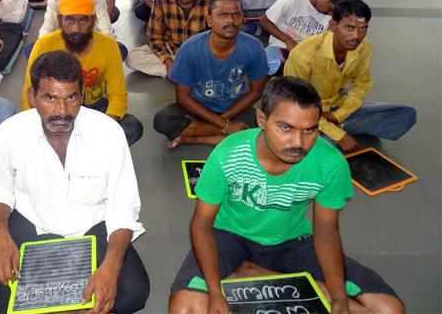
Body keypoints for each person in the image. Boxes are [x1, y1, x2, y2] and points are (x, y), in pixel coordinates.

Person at [168, 76, 405, 314]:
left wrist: (339, 298)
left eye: (310, 130)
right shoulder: (227, 155)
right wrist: (216, 292)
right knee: (185, 309)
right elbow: (201, 224)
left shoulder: (330, 162)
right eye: (286, 127)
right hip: (229, 237)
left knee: (388, 309)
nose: (298, 142)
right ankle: (259, 271)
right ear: (262, 119)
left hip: (292, 241)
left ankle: (256, 271)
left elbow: (326, 229)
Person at [0, 51, 150, 313]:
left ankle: (33, 304)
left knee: (134, 291)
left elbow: (123, 207)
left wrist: (111, 266)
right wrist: (0, 235)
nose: (61, 111)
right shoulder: (11, 132)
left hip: (91, 229)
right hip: (31, 224)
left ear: (81, 95)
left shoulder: (108, 133)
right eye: (50, 98)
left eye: (71, 97)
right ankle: (48, 305)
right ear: (32, 96)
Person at [284, 0, 416, 153]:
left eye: (363, 29)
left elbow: (362, 84)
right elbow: (295, 103)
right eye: (349, 28)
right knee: (322, 146)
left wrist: (338, 116)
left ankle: (332, 128)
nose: (357, 36)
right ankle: (325, 132)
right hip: (304, 111)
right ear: (333, 26)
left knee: (404, 114)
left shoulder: (363, 47)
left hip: (336, 106)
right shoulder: (303, 55)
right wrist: (338, 135)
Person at [23, 0, 143, 146]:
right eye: (70, 20)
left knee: (131, 128)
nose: (76, 28)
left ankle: (85, 154)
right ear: (60, 20)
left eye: (83, 20)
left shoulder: (108, 46)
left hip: (95, 106)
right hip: (56, 106)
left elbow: (117, 93)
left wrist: (107, 126)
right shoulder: (44, 45)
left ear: (93, 21)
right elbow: (30, 93)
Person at [153, 0, 267, 148]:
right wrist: (225, 125)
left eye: (236, 15)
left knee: (261, 131)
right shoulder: (190, 48)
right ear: (209, 21)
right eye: (223, 15)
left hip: (235, 107)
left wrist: (224, 119)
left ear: (243, 19)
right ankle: (230, 134)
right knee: (163, 120)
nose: (230, 21)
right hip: (198, 107)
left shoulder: (254, 47)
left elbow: (256, 91)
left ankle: (194, 138)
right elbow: (183, 97)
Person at [126, 0, 214, 77]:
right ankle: (181, 71)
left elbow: (218, 36)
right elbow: (154, 37)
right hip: (172, 49)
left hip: (200, 52)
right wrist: (167, 61)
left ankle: (181, 70)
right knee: (131, 58)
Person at [261, 0, 360, 75]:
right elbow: (265, 21)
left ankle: (294, 71)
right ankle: (293, 71)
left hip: (310, 53)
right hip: (281, 46)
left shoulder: (336, 14)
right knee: (261, 61)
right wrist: (288, 41)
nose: (331, 14)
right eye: (330, 9)